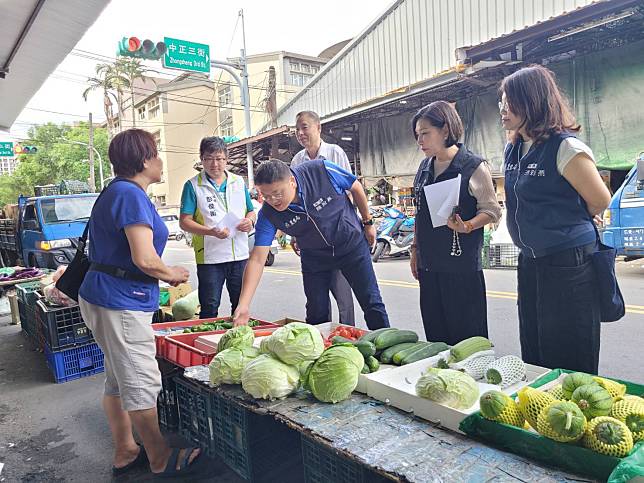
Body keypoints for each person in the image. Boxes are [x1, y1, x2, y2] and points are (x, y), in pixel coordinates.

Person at [78, 129, 202, 477]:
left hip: (104, 296)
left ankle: (125, 450)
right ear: (144, 160)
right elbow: (145, 259)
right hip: (120, 302)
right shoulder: (130, 195)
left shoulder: (117, 192)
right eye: (156, 153)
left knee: (118, 380)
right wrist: (172, 273)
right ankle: (161, 457)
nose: (161, 160)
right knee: (140, 382)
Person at [500, 65, 611, 374]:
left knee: (569, 347)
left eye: (510, 101)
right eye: (502, 101)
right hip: (532, 261)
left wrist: (563, 224)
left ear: (532, 102)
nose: (503, 109)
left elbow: (600, 200)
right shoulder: (515, 148)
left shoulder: (565, 147)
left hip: (569, 263)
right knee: (535, 345)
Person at [232, 159, 390, 330]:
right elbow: (257, 259)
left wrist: (368, 222)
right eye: (266, 196)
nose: (273, 201)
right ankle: (321, 352)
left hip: (351, 245)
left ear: (291, 181)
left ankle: (386, 348)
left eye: (277, 193)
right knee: (316, 312)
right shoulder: (268, 214)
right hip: (314, 257)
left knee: (371, 302)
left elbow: (355, 186)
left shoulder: (320, 170)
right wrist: (244, 304)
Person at [411, 101, 501, 345]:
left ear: (446, 131)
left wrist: (468, 225)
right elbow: (421, 213)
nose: (420, 141)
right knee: (436, 337)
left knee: (467, 338)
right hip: (430, 267)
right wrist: (414, 250)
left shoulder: (473, 166)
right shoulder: (424, 167)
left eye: (426, 133)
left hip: (461, 269)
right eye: (418, 135)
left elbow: (492, 211)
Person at [290, 111, 356, 326]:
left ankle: (349, 335)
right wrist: (296, 233)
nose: (300, 133)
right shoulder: (297, 160)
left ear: (319, 127)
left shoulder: (335, 153)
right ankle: (321, 337)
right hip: (311, 238)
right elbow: (295, 201)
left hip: (337, 234)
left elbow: (349, 189)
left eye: (305, 127)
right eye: (297, 129)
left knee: (343, 294)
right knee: (316, 299)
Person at [179, 137, 256, 319]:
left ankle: (237, 342)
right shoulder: (192, 186)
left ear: (226, 159)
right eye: (209, 158)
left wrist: (250, 221)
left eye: (220, 158)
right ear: (202, 159)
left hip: (239, 255)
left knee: (240, 305)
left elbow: (251, 211)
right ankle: (207, 344)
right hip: (210, 258)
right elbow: (184, 222)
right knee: (209, 306)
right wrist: (210, 231)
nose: (215, 164)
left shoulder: (238, 182)